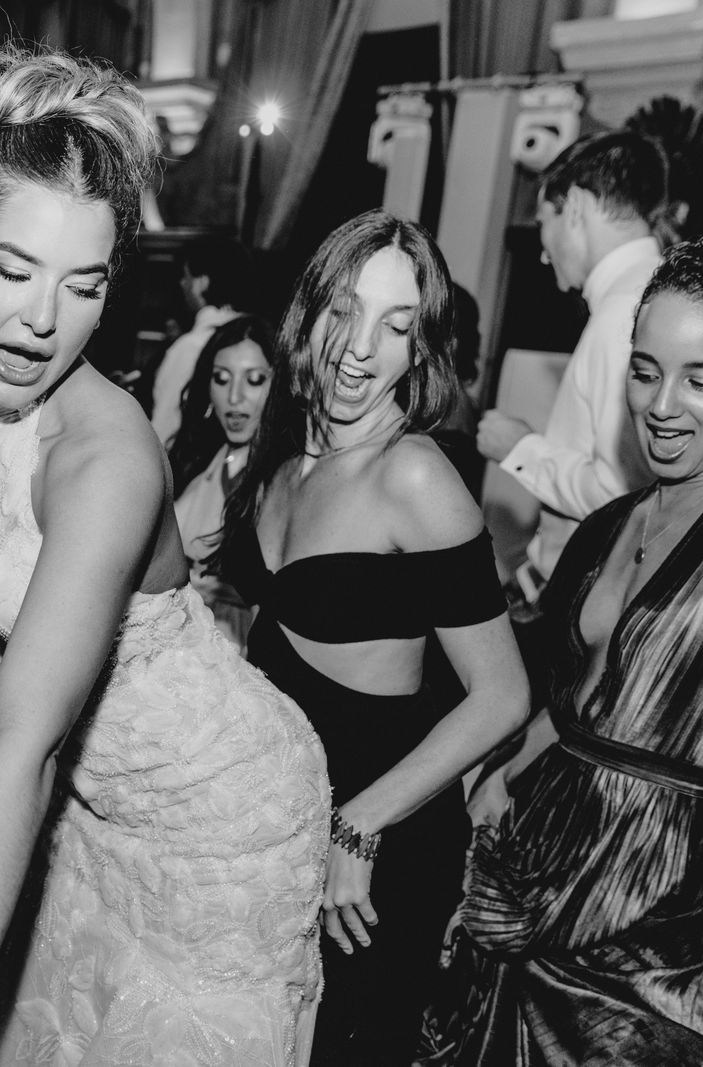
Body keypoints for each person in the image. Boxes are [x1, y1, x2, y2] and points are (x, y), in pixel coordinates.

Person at [0, 45, 329, 1065]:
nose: (41, 320)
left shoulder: (106, 461)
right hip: (95, 803)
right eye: (13, 269)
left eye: (84, 286)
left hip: (216, 818)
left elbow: (18, 742)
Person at [430, 231, 703, 1065]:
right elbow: (584, 697)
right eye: (644, 371)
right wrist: (502, 772)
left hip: (659, 899)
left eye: (702, 380)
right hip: (531, 861)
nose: (662, 404)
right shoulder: (612, 521)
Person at [215, 209, 530, 1064]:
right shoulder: (286, 458)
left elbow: (503, 695)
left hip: (378, 847)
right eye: (345, 311)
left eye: (396, 325)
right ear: (308, 309)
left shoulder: (414, 473)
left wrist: (358, 826)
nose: (360, 348)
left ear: (420, 347)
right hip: (286, 825)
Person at [477, 131, 669, 600]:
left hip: (583, 599)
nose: (543, 252)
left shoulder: (625, 313)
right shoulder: (655, 291)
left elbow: (624, 497)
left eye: (545, 221)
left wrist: (521, 450)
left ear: (577, 207)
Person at [166, 313, 274, 649]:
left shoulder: (284, 476)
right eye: (221, 379)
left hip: (239, 647)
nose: (234, 397)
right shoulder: (197, 458)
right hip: (177, 637)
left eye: (255, 380)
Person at [149, 236, 253, 445]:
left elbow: (163, 430)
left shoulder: (190, 347)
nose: (182, 283)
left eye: (186, 275)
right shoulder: (255, 342)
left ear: (202, 282)